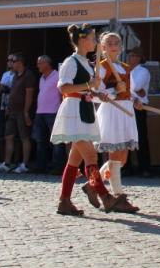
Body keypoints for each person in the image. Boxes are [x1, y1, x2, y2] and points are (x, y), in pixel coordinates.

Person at [51, 23, 120, 216]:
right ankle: (104, 195)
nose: (95, 42)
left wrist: (99, 94)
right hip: (74, 111)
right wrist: (89, 84)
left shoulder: (85, 63)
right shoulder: (71, 62)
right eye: (92, 38)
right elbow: (63, 88)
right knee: (90, 156)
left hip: (85, 109)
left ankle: (64, 201)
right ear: (82, 40)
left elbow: (86, 89)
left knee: (74, 160)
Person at [93, 32, 140, 213]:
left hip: (126, 111)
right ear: (103, 48)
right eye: (109, 43)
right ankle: (118, 196)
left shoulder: (126, 68)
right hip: (112, 111)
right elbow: (95, 94)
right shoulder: (101, 67)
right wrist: (113, 90)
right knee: (115, 154)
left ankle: (93, 185)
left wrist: (136, 100)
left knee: (123, 157)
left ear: (121, 47)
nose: (113, 46)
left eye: (116, 43)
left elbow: (131, 90)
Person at [0, 53, 35, 174]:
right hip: (12, 111)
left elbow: (29, 95)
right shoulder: (14, 76)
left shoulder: (28, 75)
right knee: (8, 136)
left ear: (20, 62)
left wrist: (26, 112)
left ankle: (24, 164)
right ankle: (7, 163)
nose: (11, 64)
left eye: (13, 61)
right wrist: (8, 108)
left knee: (24, 137)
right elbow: (12, 93)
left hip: (21, 111)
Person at [33, 55, 65, 173]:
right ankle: (41, 165)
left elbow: (62, 94)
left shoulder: (57, 75)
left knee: (56, 141)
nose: (38, 66)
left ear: (47, 63)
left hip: (53, 112)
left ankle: (58, 166)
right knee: (40, 140)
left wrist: (61, 111)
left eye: (39, 63)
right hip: (40, 112)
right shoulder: (41, 78)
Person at [126, 48, 152, 177]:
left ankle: (145, 167)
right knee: (126, 136)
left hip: (139, 106)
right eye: (129, 56)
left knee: (140, 137)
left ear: (139, 58)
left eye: (132, 56)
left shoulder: (143, 71)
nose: (129, 58)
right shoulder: (125, 70)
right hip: (126, 105)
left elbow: (135, 87)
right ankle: (126, 167)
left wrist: (126, 82)